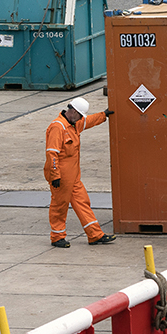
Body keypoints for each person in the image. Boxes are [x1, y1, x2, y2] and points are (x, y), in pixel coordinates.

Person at [44, 97, 116, 247]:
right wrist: (55, 175)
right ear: (72, 111)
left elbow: (88, 121)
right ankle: (57, 237)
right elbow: (52, 153)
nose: (81, 119)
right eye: (80, 115)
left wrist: (104, 115)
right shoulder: (58, 127)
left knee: (82, 202)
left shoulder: (74, 124)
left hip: (73, 176)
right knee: (59, 205)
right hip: (61, 176)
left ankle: (95, 235)